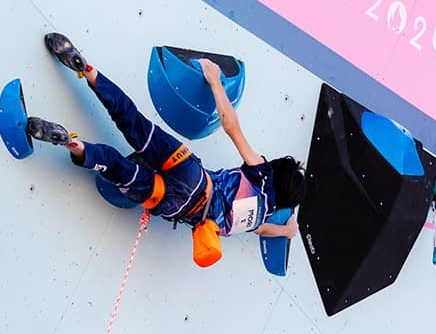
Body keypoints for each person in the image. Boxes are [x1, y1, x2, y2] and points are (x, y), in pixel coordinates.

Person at [28, 33, 305, 267]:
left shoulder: (263, 175)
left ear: (276, 170)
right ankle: (70, 142)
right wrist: (287, 231)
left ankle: (87, 70)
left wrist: (215, 82)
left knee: (131, 121)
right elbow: (264, 231)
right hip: (177, 205)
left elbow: (231, 127)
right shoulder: (258, 217)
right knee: (116, 167)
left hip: (191, 173)